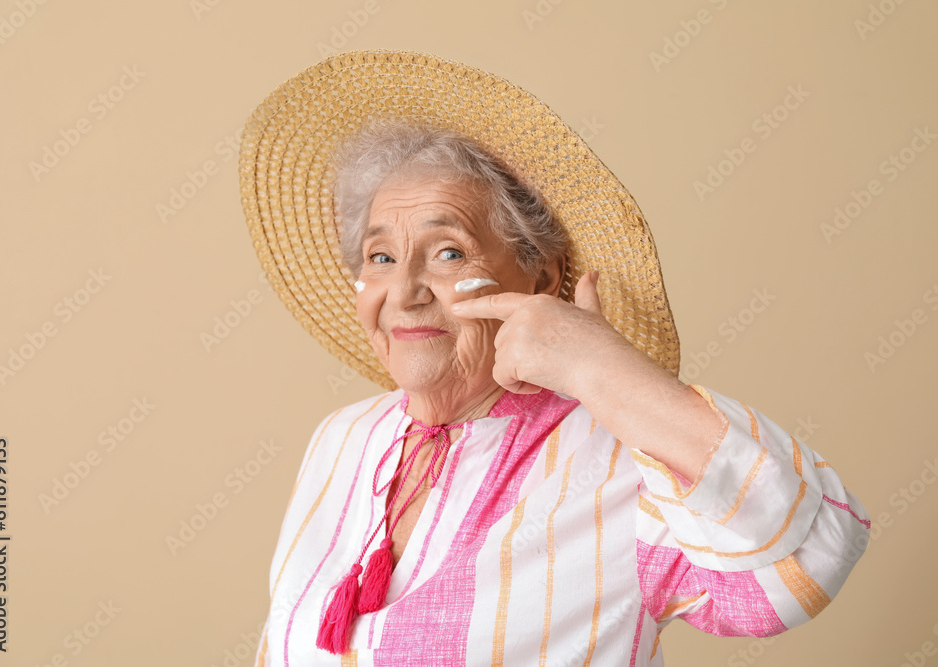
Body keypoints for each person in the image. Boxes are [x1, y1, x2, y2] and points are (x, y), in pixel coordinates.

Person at [237, 49, 870, 666]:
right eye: (380, 258)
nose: (404, 291)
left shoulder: (621, 460)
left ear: (540, 280)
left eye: (449, 252)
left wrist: (603, 368)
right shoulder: (344, 439)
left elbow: (804, 565)